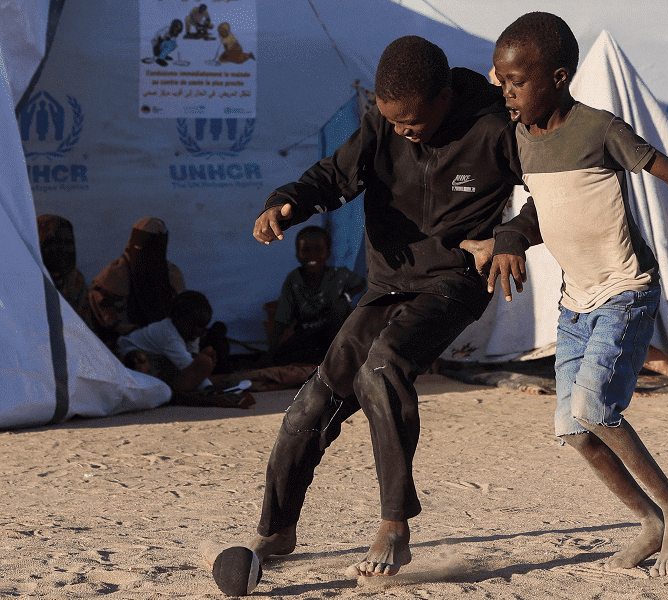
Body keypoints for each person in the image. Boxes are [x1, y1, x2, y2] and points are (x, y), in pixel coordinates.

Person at [477, 12, 668, 578]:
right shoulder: (520, 139)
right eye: (503, 81)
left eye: (518, 82)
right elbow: (546, 206)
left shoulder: (598, 128)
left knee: (594, 408)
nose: (507, 92)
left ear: (559, 77)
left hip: (625, 291)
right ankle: (651, 522)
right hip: (574, 302)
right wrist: (507, 237)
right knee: (572, 431)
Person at [247, 35, 535, 577]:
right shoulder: (385, 122)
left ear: (445, 97)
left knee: (384, 367)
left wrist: (514, 233)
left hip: (455, 280)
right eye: (392, 121)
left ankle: (395, 524)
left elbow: (559, 189)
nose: (402, 131)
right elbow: (336, 176)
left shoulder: (497, 125)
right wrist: (288, 202)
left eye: (412, 122)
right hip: (387, 284)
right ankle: (276, 529)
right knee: (312, 403)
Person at [118, 290, 254, 409]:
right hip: (128, 351)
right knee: (143, 366)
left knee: (177, 372)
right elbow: (189, 366)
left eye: (202, 327)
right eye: (193, 326)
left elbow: (192, 356)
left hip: (158, 361)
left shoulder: (190, 332)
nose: (197, 331)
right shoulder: (169, 335)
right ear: (176, 317)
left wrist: (199, 362)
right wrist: (208, 388)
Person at [270, 225, 366, 366]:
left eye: (318, 250)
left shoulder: (338, 275)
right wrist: (272, 353)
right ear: (297, 254)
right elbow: (282, 319)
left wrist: (346, 297)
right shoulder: (294, 280)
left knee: (339, 308)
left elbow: (361, 282)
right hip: (308, 335)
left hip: (336, 337)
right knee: (285, 356)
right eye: (306, 251)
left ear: (327, 253)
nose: (312, 256)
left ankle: (337, 362)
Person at [88, 217, 186, 349]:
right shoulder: (111, 279)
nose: (152, 256)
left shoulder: (172, 275)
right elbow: (108, 327)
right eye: (147, 247)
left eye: (157, 249)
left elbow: (183, 313)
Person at [36, 215, 92, 326]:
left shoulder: (74, 281)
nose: (63, 249)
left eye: (68, 242)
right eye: (52, 242)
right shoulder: (22, 282)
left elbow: (86, 327)